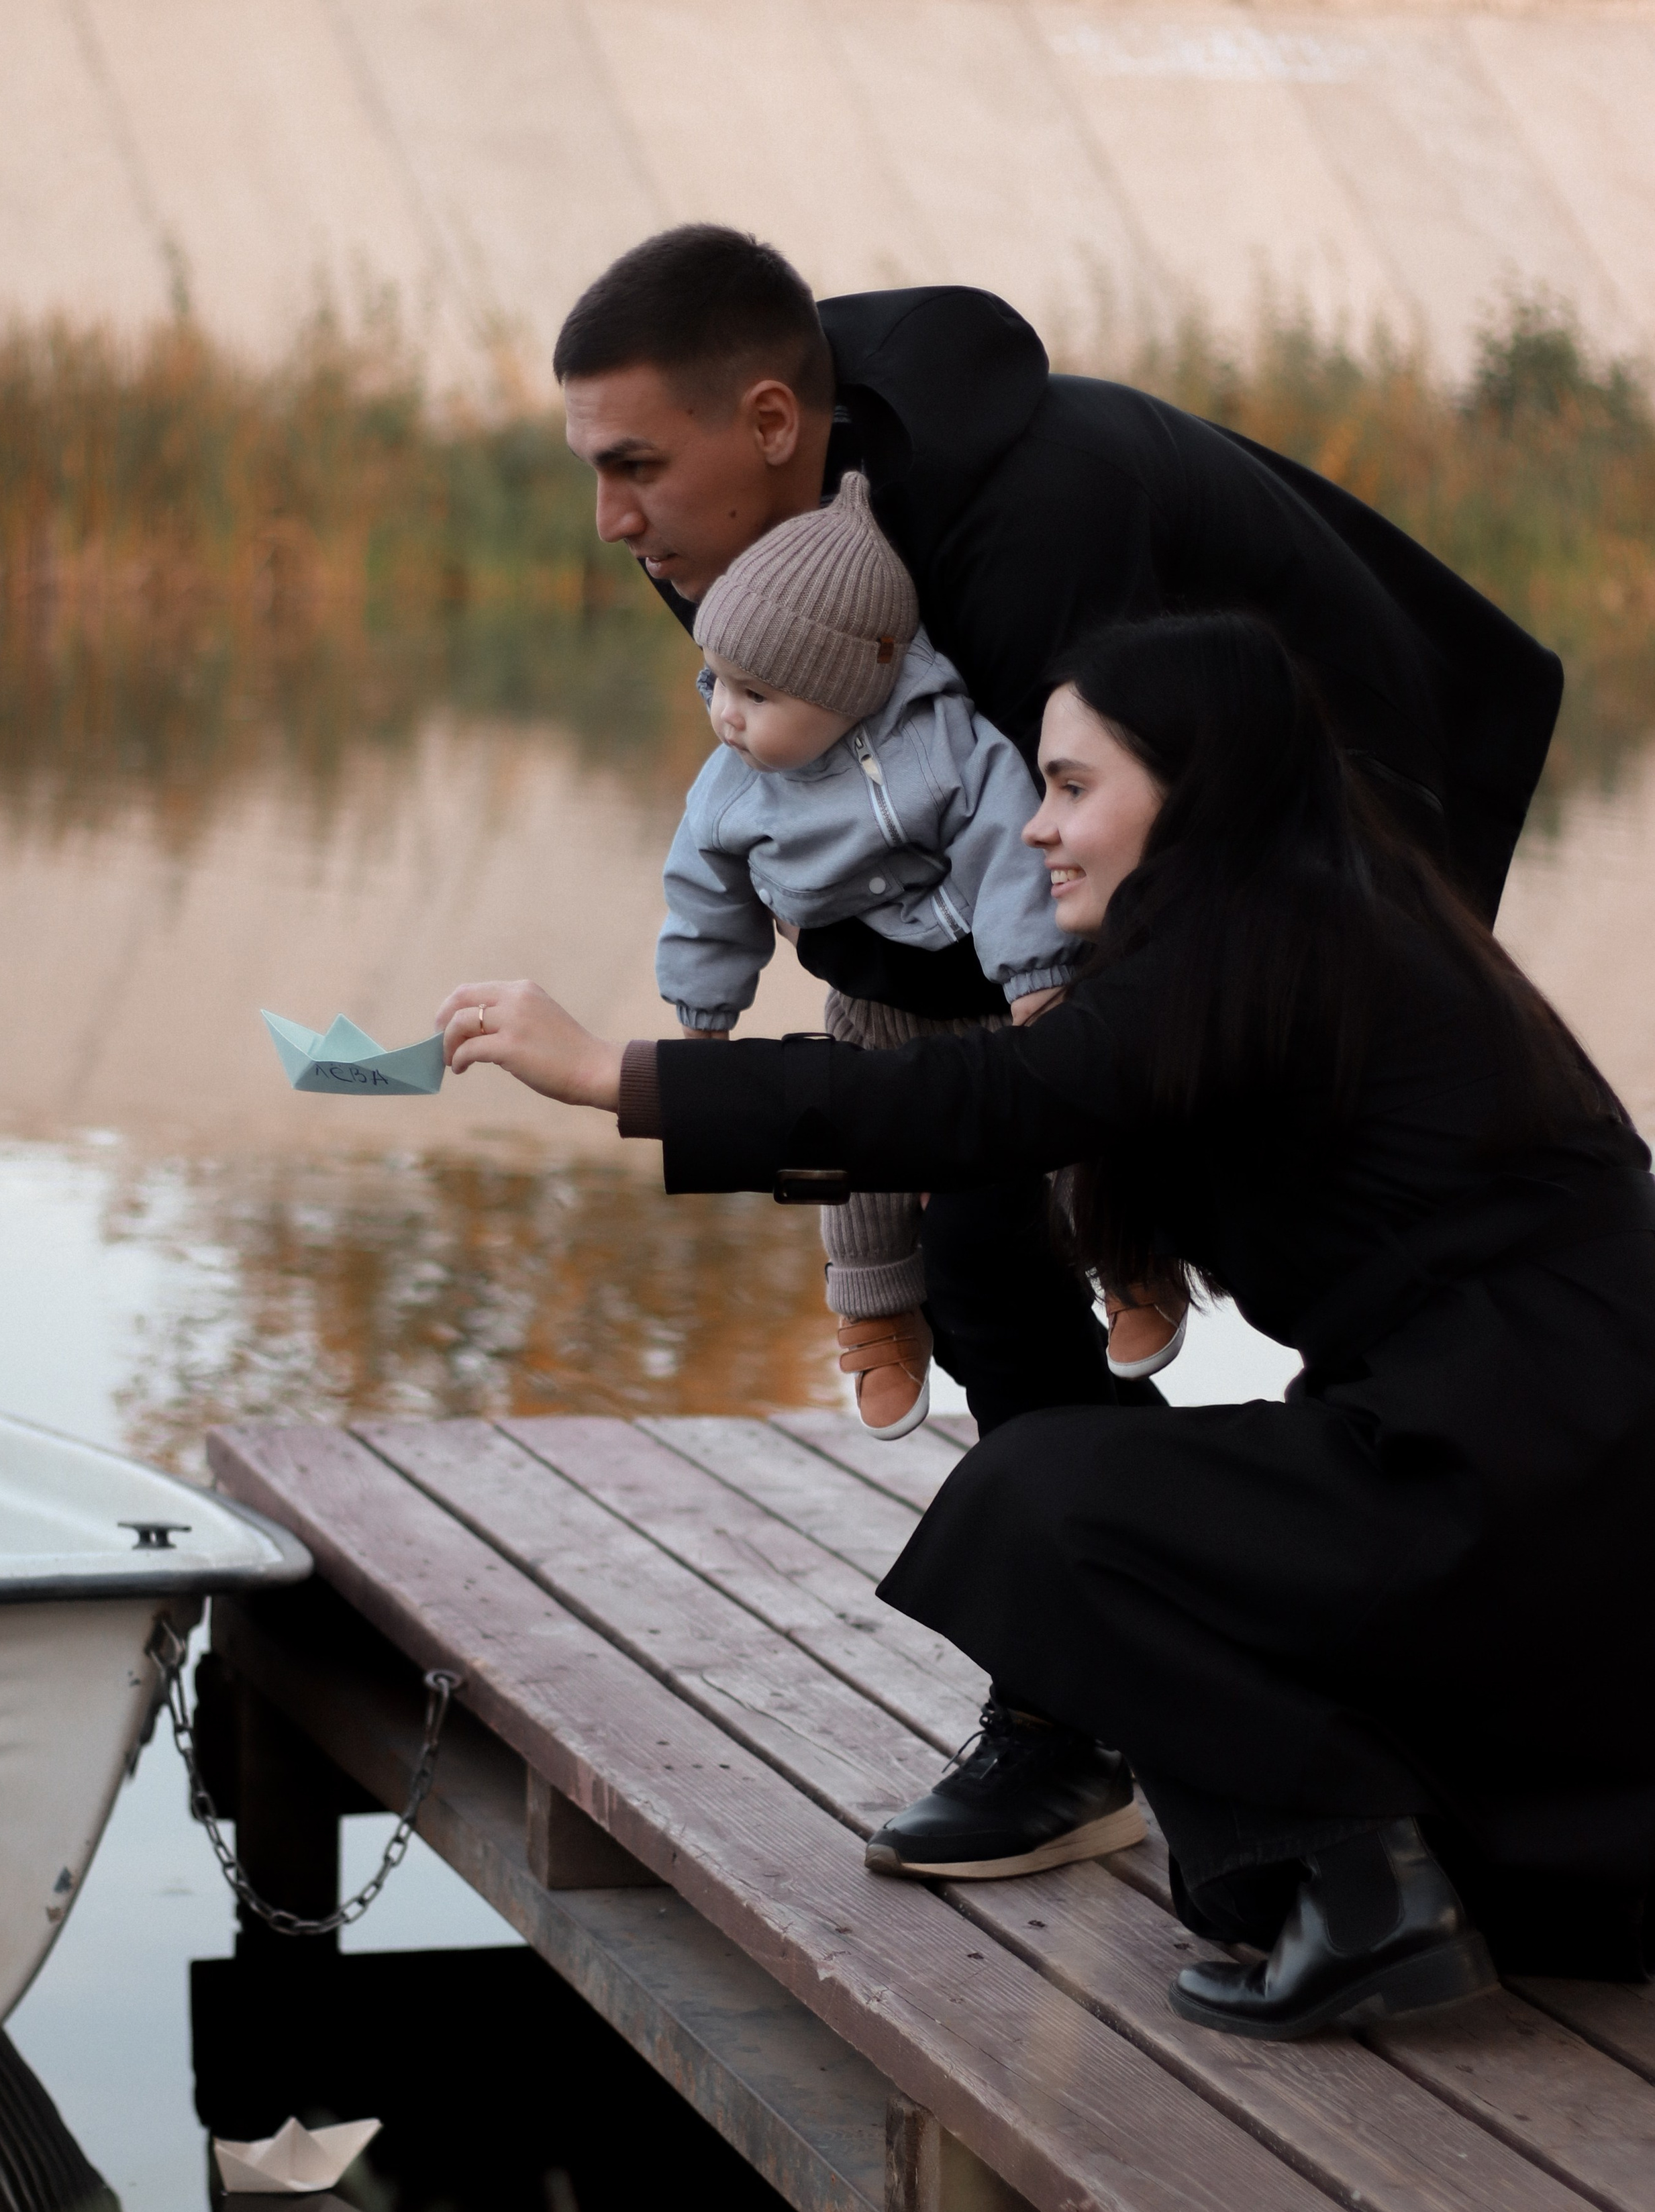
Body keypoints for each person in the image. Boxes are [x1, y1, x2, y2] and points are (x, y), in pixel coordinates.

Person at [434, 613, 1655, 2039]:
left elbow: (986, 1097)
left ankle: (1364, 1883)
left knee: (1038, 1502)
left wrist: (617, 1075)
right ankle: (1337, 1859)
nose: (1033, 829)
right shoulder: (1310, 922)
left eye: (1072, 787)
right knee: (1012, 1329)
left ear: (1195, 787)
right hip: (1543, 1472)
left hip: (1528, 1479)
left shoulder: (1262, 940)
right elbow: (997, 1123)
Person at [554, 225, 1563, 1434]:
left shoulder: (1039, 517)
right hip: (1127, 826)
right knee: (971, 1224)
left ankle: (1379, 1459)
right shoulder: (720, 531)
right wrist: (878, 1041)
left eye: (635, 466)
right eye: (594, 472)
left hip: (1350, 792)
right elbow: (841, 820)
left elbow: (1063, 837)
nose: (609, 519)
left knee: (1213, 1192)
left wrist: (921, 1073)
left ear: (772, 421)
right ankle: (1091, 1513)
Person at [663, 468, 1099, 1437]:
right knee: (845, 1148)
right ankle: (873, 1309)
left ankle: (1131, 1262)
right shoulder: (732, 786)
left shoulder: (944, 746)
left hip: (987, 988)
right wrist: (703, 1011)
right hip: (870, 1002)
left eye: (756, 692)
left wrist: (1034, 974)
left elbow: (1009, 843)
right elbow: (704, 894)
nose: (726, 714)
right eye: (715, 682)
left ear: (855, 686)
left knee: (1070, 1110)